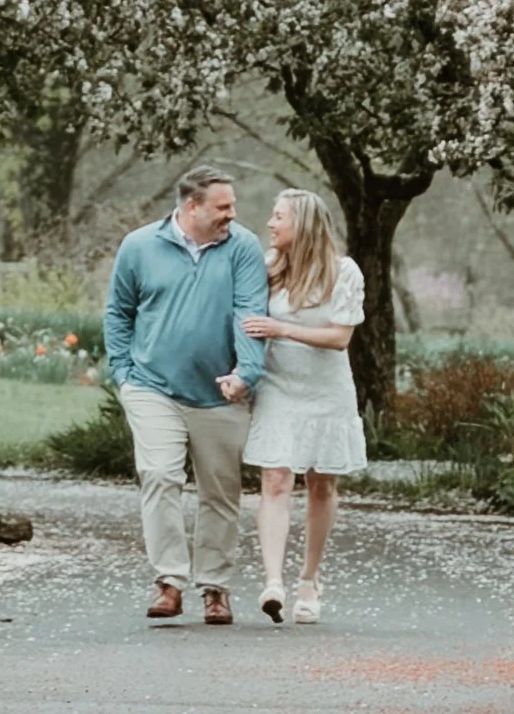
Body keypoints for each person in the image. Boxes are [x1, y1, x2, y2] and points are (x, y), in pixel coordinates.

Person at [103, 165, 268, 625]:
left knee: (220, 492)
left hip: (221, 392)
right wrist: (123, 372)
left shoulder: (243, 248)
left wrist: (246, 373)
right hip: (152, 386)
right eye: (223, 207)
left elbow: (250, 313)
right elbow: (118, 312)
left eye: (232, 206)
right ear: (191, 206)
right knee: (158, 474)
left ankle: (215, 587)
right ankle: (169, 582)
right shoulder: (139, 246)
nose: (232, 215)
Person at [241, 188, 366, 625]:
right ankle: (272, 581)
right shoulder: (268, 269)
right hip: (278, 385)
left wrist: (282, 328)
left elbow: (340, 337)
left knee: (321, 484)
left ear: (304, 224)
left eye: (279, 217)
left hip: (326, 390)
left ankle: (309, 580)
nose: (271, 224)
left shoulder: (343, 272)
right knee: (275, 475)